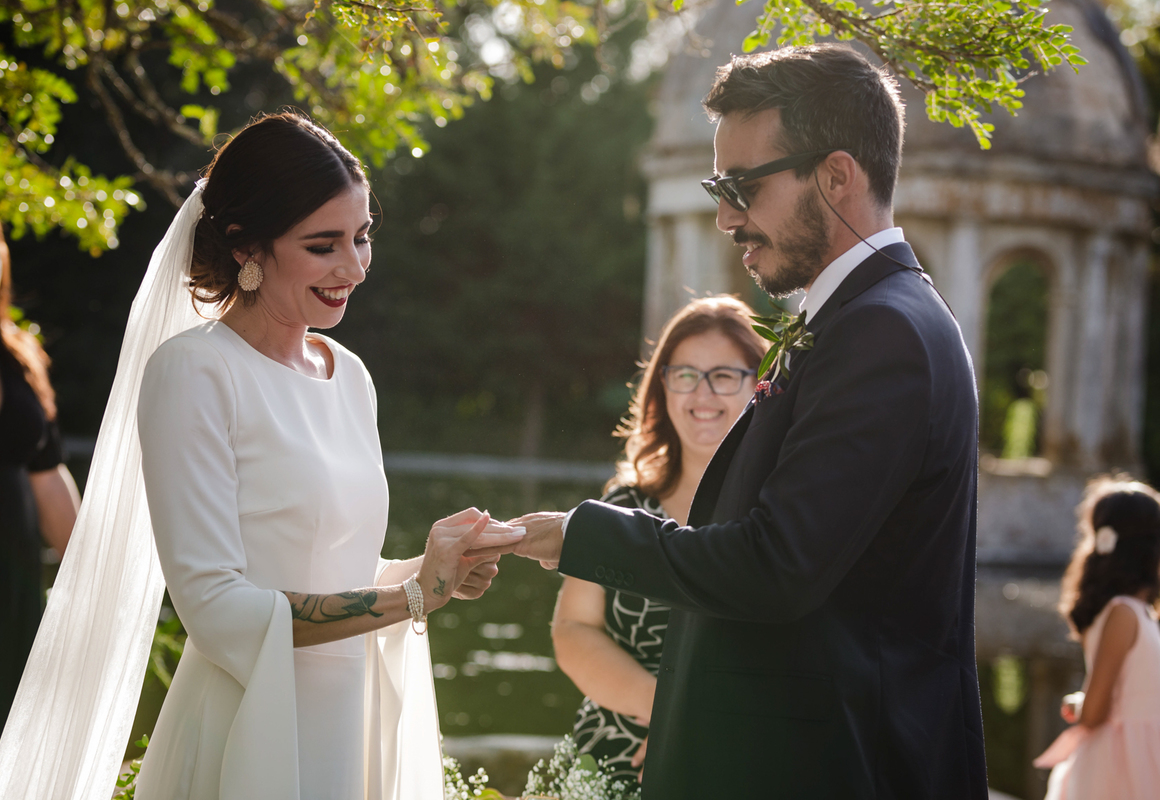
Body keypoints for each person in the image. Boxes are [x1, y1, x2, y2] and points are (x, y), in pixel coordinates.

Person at [482, 44, 988, 798]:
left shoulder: (884, 333)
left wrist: (579, 535)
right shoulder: (858, 320)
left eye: (742, 186)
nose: (726, 217)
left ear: (837, 174)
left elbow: (776, 567)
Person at [0, 113, 522, 800]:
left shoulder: (349, 375)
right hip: (248, 734)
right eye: (323, 245)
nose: (353, 267)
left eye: (362, 237)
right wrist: (411, 596)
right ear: (247, 248)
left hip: (348, 727)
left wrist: (436, 567)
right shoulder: (194, 373)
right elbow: (213, 605)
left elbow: (345, 570)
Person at [552, 295, 766, 784]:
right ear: (663, 387)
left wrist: (703, 728)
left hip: (740, 753)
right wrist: (668, 712)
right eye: (686, 374)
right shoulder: (623, 504)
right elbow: (573, 630)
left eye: (725, 375)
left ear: (762, 387)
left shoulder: (783, 514)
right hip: (612, 754)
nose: (702, 394)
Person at [0, 199, 81, 800]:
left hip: (12, 593)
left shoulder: (20, 359)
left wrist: (90, 574)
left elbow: (45, 471)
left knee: (8, 768)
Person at [1033, 477, 1160, 799]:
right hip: (1121, 762)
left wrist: (1082, 702)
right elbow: (1095, 713)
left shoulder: (1141, 612)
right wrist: (1082, 705)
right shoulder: (1122, 614)